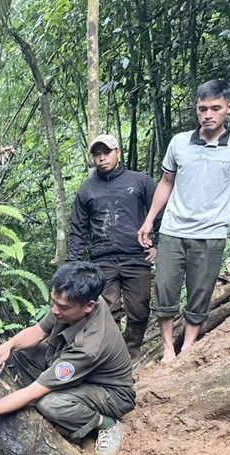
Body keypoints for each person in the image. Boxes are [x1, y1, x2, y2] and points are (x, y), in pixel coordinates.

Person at [0, 262, 135, 455]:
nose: (54, 310)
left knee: (49, 404)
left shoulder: (89, 346)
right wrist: (9, 345)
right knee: (18, 354)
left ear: (89, 306)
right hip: (78, 371)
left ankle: (105, 424)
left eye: (62, 307)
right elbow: (39, 332)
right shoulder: (75, 299)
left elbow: (33, 393)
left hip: (110, 394)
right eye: (52, 302)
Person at [137, 79, 230, 362]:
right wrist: (149, 220)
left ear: (229, 108)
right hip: (173, 229)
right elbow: (166, 182)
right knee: (165, 287)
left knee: (201, 292)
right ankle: (167, 348)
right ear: (197, 109)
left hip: (212, 231)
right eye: (203, 109)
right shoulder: (179, 142)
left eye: (216, 108)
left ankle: (188, 346)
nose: (208, 115)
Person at [67, 134, 158, 358]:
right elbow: (78, 229)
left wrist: (160, 245)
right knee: (107, 312)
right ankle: (115, 357)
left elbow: (161, 213)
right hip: (102, 261)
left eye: (106, 152)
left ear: (118, 151)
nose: (102, 158)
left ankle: (133, 352)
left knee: (139, 308)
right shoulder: (87, 190)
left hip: (136, 257)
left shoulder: (140, 182)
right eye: (97, 154)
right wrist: (72, 264)